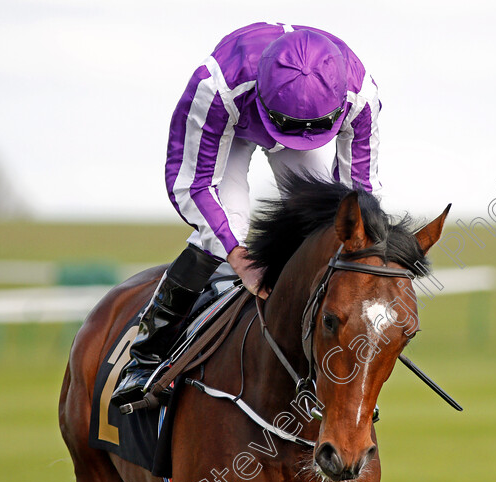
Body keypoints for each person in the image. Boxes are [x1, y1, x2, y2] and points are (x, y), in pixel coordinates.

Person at [112, 22, 382, 405]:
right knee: (229, 223)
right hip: (234, 125)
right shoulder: (216, 86)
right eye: (290, 128)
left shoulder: (360, 95)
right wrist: (238, 255)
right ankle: (145, 356)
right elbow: (192, 184)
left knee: (323, 225)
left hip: (289, 109)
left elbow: (361, 193)